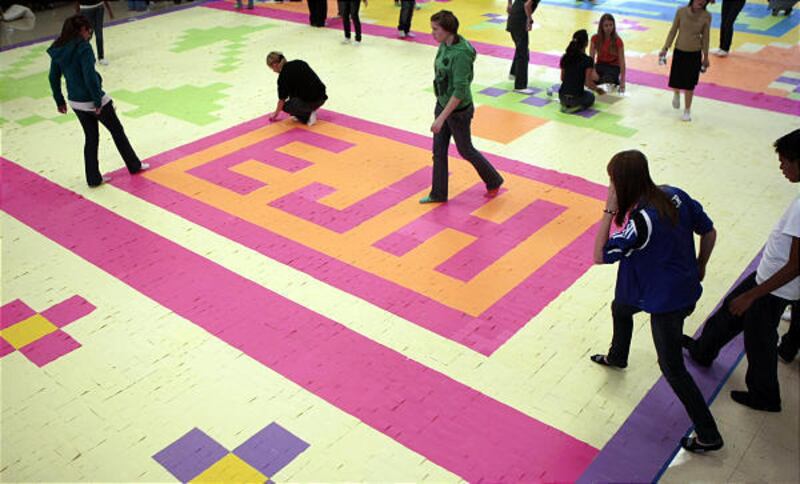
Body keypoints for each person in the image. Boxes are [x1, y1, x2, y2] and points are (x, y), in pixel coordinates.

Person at [591, 150, 723, 453]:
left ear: (622, 183)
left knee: (672, 367)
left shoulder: (640, 221)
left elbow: (599, 255)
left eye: (612, 181)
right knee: (621, 308)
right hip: (675, 288)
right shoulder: (673, 194)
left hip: (666, 301)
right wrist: (701, 264)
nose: (610, 186)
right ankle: (618, 356)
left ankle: (709, 434)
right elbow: (710, 231)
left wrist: (609, 212)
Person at [683, 130, 800, 412]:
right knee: (730, 312)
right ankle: (703, 350)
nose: (781, 167)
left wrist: (754, 295)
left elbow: (796, 264)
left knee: (759, 337)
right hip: (770, 277)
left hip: (774, 285)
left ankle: (765, 396)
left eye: (785, 162)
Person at [47, 15, 148, 187]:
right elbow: (90, 76)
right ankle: (134, 165)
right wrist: (97, 101)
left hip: (75, 101)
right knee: (117, 131)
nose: (89, 34)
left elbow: (53, 77)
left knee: (91, 138)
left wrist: (59, 100)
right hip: (92, 99)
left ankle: (93, 178)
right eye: (88, 30)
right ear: (81, 30)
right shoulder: (83, 48)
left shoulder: (58, 48)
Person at [421, 10, 504, 204]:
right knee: (438, 152)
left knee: (465, 149)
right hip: (442, 103)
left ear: (448, 31)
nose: (432, 33)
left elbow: (459, 92)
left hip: (458, 112)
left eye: (436, 29)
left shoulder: (462, 54)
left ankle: (493, 179)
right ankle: (438, 193)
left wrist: (441, 118)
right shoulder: (444, 44)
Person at [660, 0, 711, 122]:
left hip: (694, 54)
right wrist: (665, 48)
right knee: (676, 80)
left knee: (690, 84)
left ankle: (687, 110)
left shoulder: (706, 16)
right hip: (679, 50)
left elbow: (706, 37)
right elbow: (673, 31)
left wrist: (706, 56)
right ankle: (676, 93)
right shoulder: (681, 11)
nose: (702, 2)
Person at [266, 51, 328, 126]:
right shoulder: (299, 62)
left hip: (311, 101)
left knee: (285, 106)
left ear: (275, 65)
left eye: (271, 68)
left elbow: (281, 100)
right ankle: (302, 112)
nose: (273, 71)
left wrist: (275, 114)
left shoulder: (282, 77)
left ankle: (308, 115)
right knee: (294, 93)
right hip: (322, 97)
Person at [558, 29, 605, 113]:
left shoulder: (565, 57)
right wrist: (598, 89)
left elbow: (562, 78)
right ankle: (576, 107)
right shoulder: (588, 60)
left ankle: (566, 105)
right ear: (586, 43)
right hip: (576, 98)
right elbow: (588, 83)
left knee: (581, 93)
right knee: (591, 96)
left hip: (562, 97)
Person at [590, 13, 626, 94]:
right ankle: (606, 80)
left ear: (614, 26)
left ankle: (612, 80)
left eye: (611, 25)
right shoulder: (595, 39)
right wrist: (592, 71)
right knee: (585, 76)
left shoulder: (618, 41)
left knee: (606, 82)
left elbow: (622, 62)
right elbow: (591, 58)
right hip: (599, 65)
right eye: (606, 26)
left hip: (613, 67)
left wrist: (623, 81)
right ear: (601, 27)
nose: (609, 28)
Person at [506, 0, 536, 92]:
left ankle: (514, 73)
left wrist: (510, 3)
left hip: (513, 18)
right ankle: (520, 86)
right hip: (520, 21)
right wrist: (529, 20)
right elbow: (527, 5)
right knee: (523, 53)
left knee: (520, 48)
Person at [76, 1, 113, 66]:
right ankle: (81, 56)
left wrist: (109, 9)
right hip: (86, 8)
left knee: (99, 33)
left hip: (99, 7)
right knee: (87, 35)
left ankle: (101, 57)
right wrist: (77, 12)